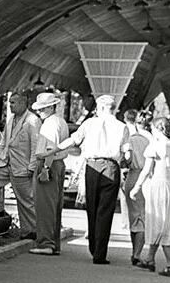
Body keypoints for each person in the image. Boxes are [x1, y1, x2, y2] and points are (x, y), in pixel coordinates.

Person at [48, 95, 130, 265]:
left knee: (91, 208)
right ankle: (99, 253)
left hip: (92, 167)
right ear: (113, 108)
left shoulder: (89, 123)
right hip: (111, 167)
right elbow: (127, 153)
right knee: (105, 211)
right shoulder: (122, 127)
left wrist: (53, 150)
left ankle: (93, 246)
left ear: (99, 108)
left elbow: (73, 140)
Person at [129, 117, 170, 278]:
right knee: (167, 222)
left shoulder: (156, 146)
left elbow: (146, 170)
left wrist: (136, 187)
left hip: (159, 186)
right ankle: (150, 258)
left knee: (157, 221)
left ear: (158, 129)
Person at [0, 91, 40, 239]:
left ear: (23, 103)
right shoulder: (11, 120)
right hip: (6, 164)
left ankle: (32, 230)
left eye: (13, 103)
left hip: (23, 167)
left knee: (26, 201)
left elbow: (36, 146)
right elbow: (3, 142)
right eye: (9, 103)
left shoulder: (32, 120)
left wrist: (32, 166)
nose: (10, 106)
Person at [28, 93, 69, 256]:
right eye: (40, 109)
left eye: (44, 108)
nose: (41, 111)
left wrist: (45, 168)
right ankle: (53, 243)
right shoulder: (60, 122)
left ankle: (46, 242)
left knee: (44, 206)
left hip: (48, 163)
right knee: (54, 206)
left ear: (52, 107)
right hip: (57, 163)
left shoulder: (50, 124)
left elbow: (49, 149)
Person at [122, 110, 152, 266]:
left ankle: (135, 250)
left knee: (134, 216)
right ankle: (137, 253)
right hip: (146, 177)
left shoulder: (132, 139)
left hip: (132, 175)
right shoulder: (152, 140)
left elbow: (125, 158)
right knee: (141, 217)